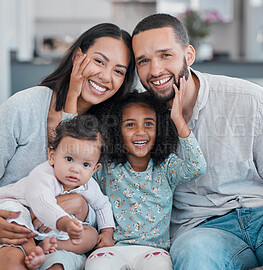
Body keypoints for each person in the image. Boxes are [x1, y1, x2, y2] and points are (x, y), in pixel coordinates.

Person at [131, 13, 263, 270]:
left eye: (165, 55)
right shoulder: (138, 120)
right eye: (144, 61)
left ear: (188, 55)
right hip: (203, 233)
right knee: (193, 252)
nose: (155, 70)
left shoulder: (247, 99)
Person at [0, 22, 135, 270]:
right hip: (6, 231)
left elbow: (102, 206)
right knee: (14, 261)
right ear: (78, 56)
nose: (106, 77)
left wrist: (79, 204)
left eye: (119, 71)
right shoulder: (23, 107)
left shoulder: (109, 130)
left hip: (59, 241)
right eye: (99, 61)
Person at [84, 88, 207, 269]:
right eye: (130, 125)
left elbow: (197, 166)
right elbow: (73, 152)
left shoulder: (167, 167)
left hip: (153, 251)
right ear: (117, 131)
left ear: (159, 129)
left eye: (149, 124)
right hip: (113, 248)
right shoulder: (106, 167)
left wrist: (178, 120)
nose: (141, 132)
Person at [0, 115, 115, 269]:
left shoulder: (88, 185)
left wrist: (107, 233)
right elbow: (42, 203)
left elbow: (102, 205)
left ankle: (54, 245)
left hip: (51, 228)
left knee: (91, 235)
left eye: (85, 164)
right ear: (52, 156)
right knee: (17, 215)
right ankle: (32, 251)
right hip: (23, 209)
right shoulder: (43, 175)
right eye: (69, 159)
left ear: (94, 169)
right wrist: (65, 223)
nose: (75, 169)